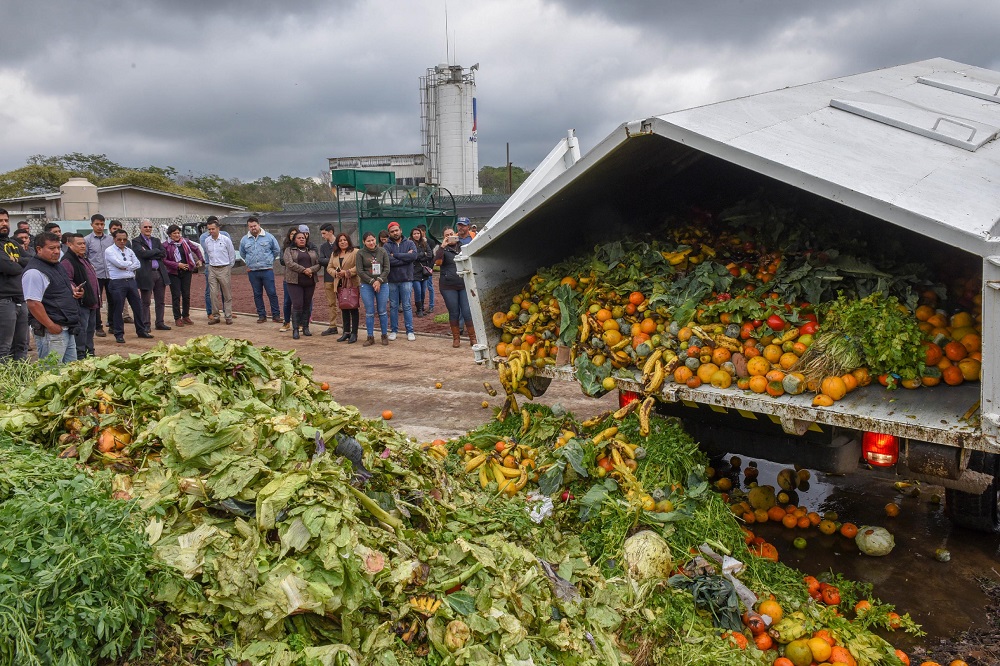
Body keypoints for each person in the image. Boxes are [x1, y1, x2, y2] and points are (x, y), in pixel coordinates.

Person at [23, 231, 84, 362]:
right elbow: (33, 303)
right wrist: (51, 326)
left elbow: (58, 289)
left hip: (67, 327)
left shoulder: (56, 265)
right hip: (51, 332)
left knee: (70, 372)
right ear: (39, 249)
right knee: (51, 374)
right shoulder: (34, 272)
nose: (56, 251)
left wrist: (74, 292)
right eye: (52, 248)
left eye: (58, 247)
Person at [105, 229, 151, 343]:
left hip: (130, 281)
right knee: (118, 309)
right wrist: (130, 265)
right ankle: (119, 333)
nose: (122, 241)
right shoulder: (109, 251)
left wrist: (126, 266)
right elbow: (119, 264)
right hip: (117, 282)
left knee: (138, 307)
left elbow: (138, 264)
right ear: (114, 239)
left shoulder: (129, 250)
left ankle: (141, 330)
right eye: (119, 239)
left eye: (124, 239)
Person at [436, 227, 477, 348]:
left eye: (451, 234)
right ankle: (456, 338)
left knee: (467, 311)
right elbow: (437, 263)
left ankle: (473, 338)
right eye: (446, 235)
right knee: (454, 311)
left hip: (464, 283)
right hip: (448, 285)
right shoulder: (442, 249)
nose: (449, 236)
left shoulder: (463, 246)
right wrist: (442, 247)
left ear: (455, 234)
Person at [61, 233, 100, 358]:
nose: (83, 246)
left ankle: (90, 353)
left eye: (84, 243)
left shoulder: (83, 258)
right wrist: (75, 290)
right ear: (70, 244)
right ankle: (81, 355)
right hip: (80, 303)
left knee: (89, 330)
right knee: (81, 331)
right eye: (79, 244)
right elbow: (67, 280)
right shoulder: (68, 261)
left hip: (91, 301)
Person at [239, 216, 282, 324]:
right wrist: (249, 262)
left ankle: (276, 315)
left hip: (267, 269)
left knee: (272, 293)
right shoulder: (244, 240)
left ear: (259, 225)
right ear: (248, 227)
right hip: (252, 271)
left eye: (254, 226)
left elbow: (276, 250)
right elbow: (242, 253)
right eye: (250, 226)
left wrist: (269, 260)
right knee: (257, 294)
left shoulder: (269, 237)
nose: (253, 228)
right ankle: (261, 315)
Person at [0, 208, 30, 361]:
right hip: (4, 301)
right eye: (0, 221)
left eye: (6, 220)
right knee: (4, 347)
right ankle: (4, 383)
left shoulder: (12, 243)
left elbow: (32, 260)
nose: (4, 224)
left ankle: (20, 380)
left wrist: (16, 260)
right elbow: (9, 268)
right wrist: (18, 264)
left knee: (22, 345)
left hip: (21, 299)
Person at [163, 224, 204, 327]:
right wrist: (177, 265)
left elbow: (196, 249)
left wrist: (200, 259)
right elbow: (164, 260)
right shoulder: (165, 245)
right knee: (176, 295)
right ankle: (177, 317)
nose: (177, 235)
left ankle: (186, 315)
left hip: (186, 272)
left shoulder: (185, 242)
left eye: (178, 233)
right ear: (169, 235)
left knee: (186, 295)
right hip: (173, 273)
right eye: (174, 233)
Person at [133, 219, 171, 331]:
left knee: (160, 301)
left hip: (159, 273)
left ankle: (160, 322)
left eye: (150, 227)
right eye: (145, 227)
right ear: (141, 228)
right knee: (146, 301)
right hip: (146, 274)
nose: (148, 229)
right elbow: (141, 254)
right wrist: (155, 251)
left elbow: (163, 254)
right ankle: (146, 324)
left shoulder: (156, 240)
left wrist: (150, 253)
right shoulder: (136, 241)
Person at [282, 230, 321, 339]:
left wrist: (310, 270)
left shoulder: (312, 251)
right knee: (297, 304)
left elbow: (318, 264)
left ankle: (306, 327)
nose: (302, 239)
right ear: (294, 240)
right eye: (299, 238)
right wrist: (304, 270)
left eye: (303, 237)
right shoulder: (288, 250)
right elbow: (289, 263)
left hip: (310, 281)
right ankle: (295, 329)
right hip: (294, 282)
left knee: (307, 304)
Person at [384, 221, 417, 342]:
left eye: (396, 230)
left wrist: (396, 255)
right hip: (392, 280)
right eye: (392, 231)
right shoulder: (386, 246)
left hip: (406, 279)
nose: (395, 233)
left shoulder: (410, 243)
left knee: (407, 305)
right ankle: (394, 330)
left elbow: (413, 257)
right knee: (393, 306)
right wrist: (405, 258)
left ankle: (410, 331)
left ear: (400, 230)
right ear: (389, 233)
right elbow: (388, 261)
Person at [357, 231, 390, 346]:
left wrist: (379, 281)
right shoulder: (360, 253)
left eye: (372, 240)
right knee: (370, 312)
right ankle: (370, 336)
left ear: (376, 240)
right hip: (366, 285)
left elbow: (387, 268)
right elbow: (360, 271)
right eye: (368, 241)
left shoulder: (382, 251)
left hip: (383, 284)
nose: (371, 243)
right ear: (364, 242)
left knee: (382, 311)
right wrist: (372, 281)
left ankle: (384, 335)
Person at [84, 214, 114, 337]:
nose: (100, 227)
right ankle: (98, 326)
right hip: (96, 275)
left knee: (113, 300)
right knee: (97, 301)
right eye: (97, 224)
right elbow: (85, 257)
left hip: (110, 274)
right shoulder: (87, 240)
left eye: (102, 224)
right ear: (91, 224)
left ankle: (112, 324)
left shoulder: (110, 239)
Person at [327, 232, 359, 343]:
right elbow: (329, 267)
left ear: (348, 241)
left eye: (344, 240)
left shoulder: (355, 252)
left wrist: (347, 272)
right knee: (344, 308)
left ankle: (354, 333)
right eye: (340, 240)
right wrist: (336, 274)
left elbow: (358, 266)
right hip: (339, 284)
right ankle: (346, 332)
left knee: (353, 308)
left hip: (351, 283)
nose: (342, 242)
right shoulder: (334, 254)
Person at [203, 219, 236, 325]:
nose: (211, 231)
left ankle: (228, 315)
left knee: (226, 294)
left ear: (218, 228)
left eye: (213, 229)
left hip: (224, 267)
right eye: (209, 229)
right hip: (212, 268)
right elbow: (208, 253)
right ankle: (216, 315)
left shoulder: (226, 240)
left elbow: (232, 254)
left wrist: (229, 267)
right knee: (213, 293)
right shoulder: (207, 241)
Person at [316, 223, 340, 336]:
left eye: (324, 233)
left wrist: (329, 261)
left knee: (344, 302)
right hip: (328, 278)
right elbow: (320, 260)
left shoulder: (341, 242)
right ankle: (333, 325)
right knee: (331, 303)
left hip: (340, 278)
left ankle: (347, 327)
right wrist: (333, 261)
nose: (323, 236)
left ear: (331, 232)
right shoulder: (323, 247)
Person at [278, 226, 300, 332]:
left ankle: (299, 323)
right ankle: (286, 322)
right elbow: (283, 261)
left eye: (295, 234)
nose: (293, 236)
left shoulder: (304, 247)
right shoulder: (285, 248)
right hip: (288, 278)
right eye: (291, 234)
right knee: (287, 301)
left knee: (299, 301)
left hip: (300, 278)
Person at [410, 227, 434, 318]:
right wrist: (423, 254)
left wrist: (421, 255)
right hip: (415, 271)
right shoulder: (410, 244)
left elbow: (430, 255)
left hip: (424, 271)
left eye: (418, 233)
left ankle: (422, 306)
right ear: (412, 235)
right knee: (418, 291)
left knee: (423, 290)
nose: (416, 235)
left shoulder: (425, 243)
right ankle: (418, 309)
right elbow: (413, 256)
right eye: (414, 234)